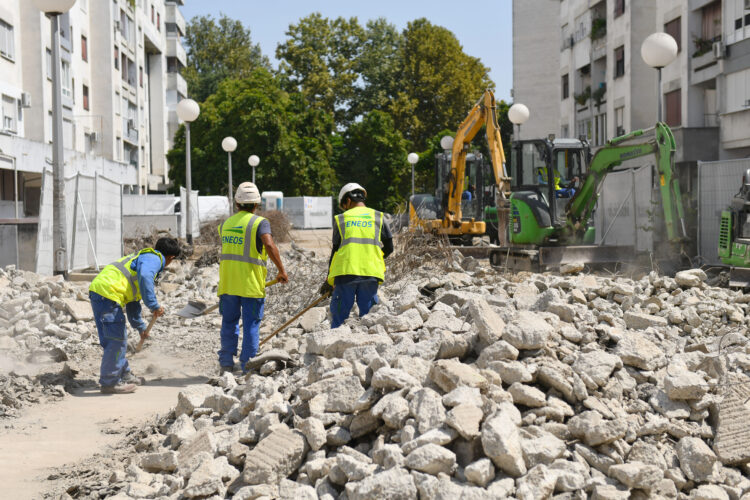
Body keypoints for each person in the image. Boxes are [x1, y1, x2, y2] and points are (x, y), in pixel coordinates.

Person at [89, 237, 181, 394]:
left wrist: (140, 328)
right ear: (170, 258)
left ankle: (123, 374)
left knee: (115, 339)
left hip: (102, 293)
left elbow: (133, 305)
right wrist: (154, 305)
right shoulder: (154, 258)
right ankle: (110, 382)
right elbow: (146, 278)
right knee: (116, 340)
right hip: (108, 294)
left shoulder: (142, 259)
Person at [217, 182, 288, 375]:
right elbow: (269, 244)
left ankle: (225, 364)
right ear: (257, 204)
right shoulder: (259, 223)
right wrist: (281, 270)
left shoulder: (225, 224)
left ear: (237, 203)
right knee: (251, 324)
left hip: (228, 283)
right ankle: (247, 365)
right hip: (250, 285)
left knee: (229, 323)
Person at [321, 183, 394, 328]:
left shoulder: (341, 219)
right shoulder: (378, 217)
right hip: (371, 273)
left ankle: (336, 345)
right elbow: (390, 248)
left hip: (345, 273)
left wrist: (329, 281)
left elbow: (335, 253)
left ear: (348, 200)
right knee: (370, 318)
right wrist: (374, 258)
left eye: (344, 205)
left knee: (339, 317)